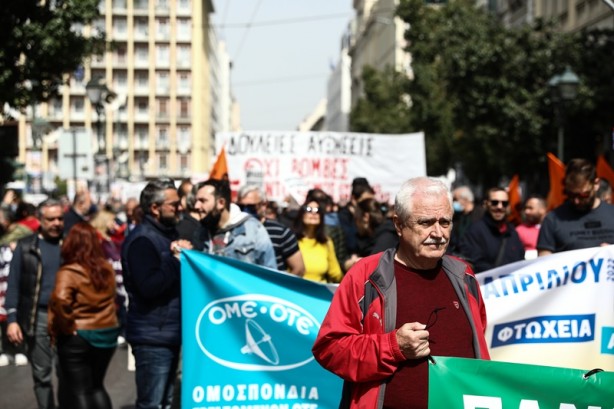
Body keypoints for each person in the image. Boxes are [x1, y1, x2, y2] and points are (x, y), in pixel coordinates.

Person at [312, 177, 490, 409]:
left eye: (445, 222)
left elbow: (480, 347)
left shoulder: (464, 276)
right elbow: (330, 349)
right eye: (425, 222)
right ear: (398, 224)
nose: (438, 233)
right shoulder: (366, 276)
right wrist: (393, 346)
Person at [121, 178, 193, 409]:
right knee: (152, 403)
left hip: (166, 334)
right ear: (155, 208)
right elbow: (149, 287)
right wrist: (176, 260)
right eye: (174, 204)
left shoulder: (165, 234)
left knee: (165, 402)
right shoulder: (143, 240)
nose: (180, 208)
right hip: (152, 338)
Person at [48, 222, 119, 409]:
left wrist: (67, 325)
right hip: (107, 331)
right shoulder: (106, 268)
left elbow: (60, 299)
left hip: (79, 333)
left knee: (81, 390)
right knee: (97, 386)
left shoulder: (69, 272)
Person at [5, 199, 66, 409]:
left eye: (60, 218)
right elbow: (13, 284)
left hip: (66, 317)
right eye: (51, 219)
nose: (56, 223)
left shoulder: (70, 244)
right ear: (40, 220)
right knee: (42, 374)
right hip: (37, 317)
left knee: (67, 372)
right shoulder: (26, 247)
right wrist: (12, 319)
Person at [192, 179, 277, 269]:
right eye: (196, 201)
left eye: (203, 201)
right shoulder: (201, 232)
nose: (196, 206)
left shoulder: (253, 230)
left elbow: (270, 271)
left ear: (221, 203)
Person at [537, 158, 614, 255]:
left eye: (583, 195)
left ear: (596, 184)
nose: (576, 201)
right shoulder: (552, 220)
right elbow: (543, 259)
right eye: (571, 195)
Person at [237, 185, 305, 276]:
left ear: (263, 205)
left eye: (251, 207)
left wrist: (279, 284)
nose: (246, 211)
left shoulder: (281, 232)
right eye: (241, 207)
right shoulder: (233, 230)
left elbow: (299, 269)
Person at [459, 187, 525, 273]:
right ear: (486, 203)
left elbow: (520, 261)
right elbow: (474, 262)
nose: (499, 207)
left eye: (504, 203)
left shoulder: (512, 232)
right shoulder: (474, 231)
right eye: (495, 202)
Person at [90, 210, 128, 345]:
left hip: (115, 278)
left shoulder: (110, 239)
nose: (114, 224)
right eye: (112, 221)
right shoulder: (97, 240)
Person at [293, 198, 343, 283]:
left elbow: (336, 273)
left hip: (320, 289)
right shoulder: (292, 240)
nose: (314, 213)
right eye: (309, 209)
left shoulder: (327, 242)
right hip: (295, 288)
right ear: (301, 214)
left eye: (317, 210)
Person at [447, 185, 483, 256]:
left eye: (455, 199)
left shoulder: (481, 213)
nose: (453, 202)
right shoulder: (457, 215)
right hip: (458, 254)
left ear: (465, 199)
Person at [515, 195, 547, 259]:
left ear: (542, 210)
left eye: (530, 208)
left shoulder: (552, 228)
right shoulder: (519, 230)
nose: (526, 211)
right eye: (526, 208)